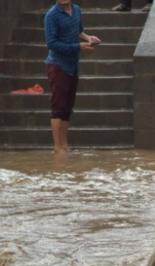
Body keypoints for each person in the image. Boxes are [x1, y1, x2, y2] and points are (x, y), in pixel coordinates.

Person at [44, 0, 100, 154]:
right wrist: (79, 46)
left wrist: (88, 38)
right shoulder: (52, 15)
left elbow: (78, 31)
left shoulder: (76, 9)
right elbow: (52, 44)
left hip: (73, 65)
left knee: (67, 107)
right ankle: (57, 147)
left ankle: (65, 145)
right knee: (58, 107)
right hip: (58, 65)